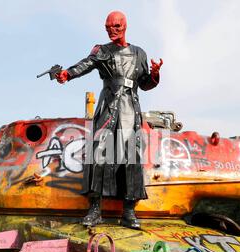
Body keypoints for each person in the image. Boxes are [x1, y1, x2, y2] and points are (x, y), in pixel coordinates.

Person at [56, 11, 163, 229]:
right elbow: (85, 64)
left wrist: (154, 74)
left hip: (131, 110)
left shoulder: (139, 53)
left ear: (124, 26)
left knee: (131, 156)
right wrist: (67, 74)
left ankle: (129, 212)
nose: (111, 30)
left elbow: (144, 84)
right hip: (108, 106)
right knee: (98, 152)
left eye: (115, 26)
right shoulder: (102, 50)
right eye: (107, 27)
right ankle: (95, 210)